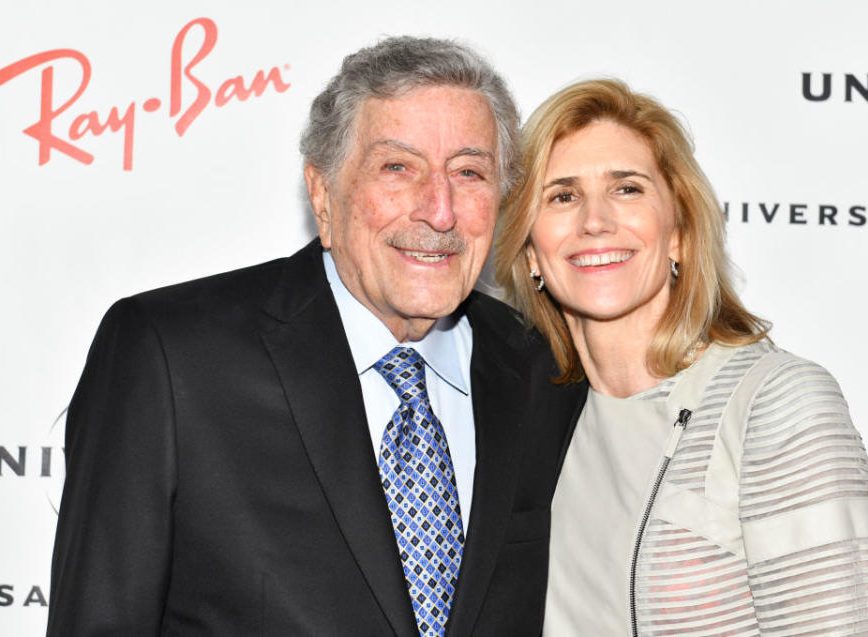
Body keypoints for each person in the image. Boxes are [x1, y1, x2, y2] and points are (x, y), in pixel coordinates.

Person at [47, 37, 580, 637]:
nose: (440, 210)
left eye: (469, 172)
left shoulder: (546, 371)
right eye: (397, 167)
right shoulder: (172, 357)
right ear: (324, 195)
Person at [495, 79, 868, 635]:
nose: (595, 220)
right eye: (562, 195)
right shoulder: (525, 420)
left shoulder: (775, 403)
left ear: (678, 231)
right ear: (530, 250)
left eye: (627, 189)